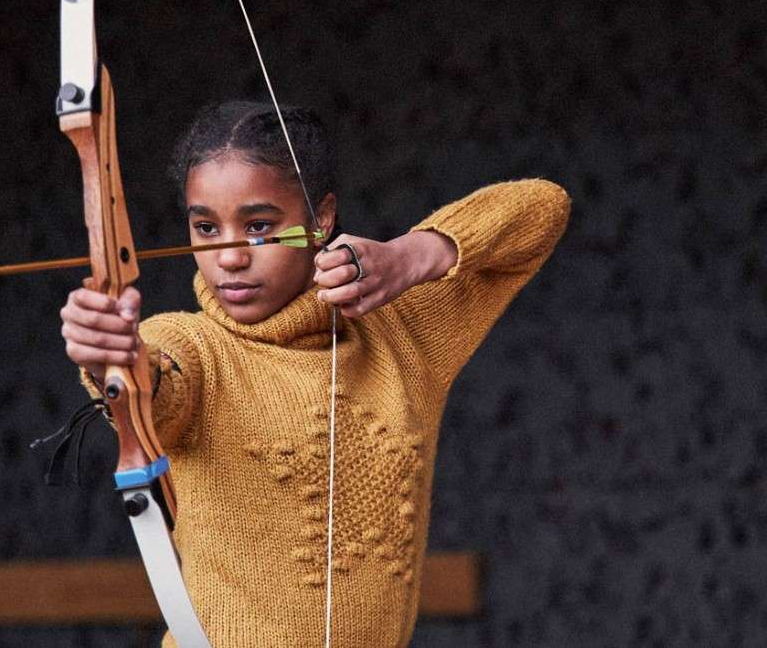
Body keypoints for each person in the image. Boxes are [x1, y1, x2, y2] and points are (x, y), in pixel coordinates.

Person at [59, 99, 569, 646]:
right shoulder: (196, 348)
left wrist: (412, 255)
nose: (228, 255)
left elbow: (543, 208)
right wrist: (108, 352)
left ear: (319, 220)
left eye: (258, 226)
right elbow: (151, 380)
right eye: (206, 227)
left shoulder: (403, 331)